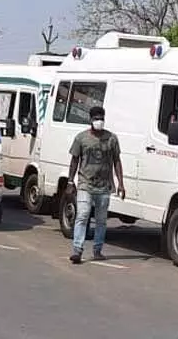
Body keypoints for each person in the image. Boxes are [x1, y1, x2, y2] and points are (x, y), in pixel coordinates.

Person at [67, 105, 125, 264]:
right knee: (83, 215)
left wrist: (121, 183)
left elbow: (117, 161)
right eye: (96, 118)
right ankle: (77, 250)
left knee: (101, 220)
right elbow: (74, 160)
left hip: (104, 186)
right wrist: (70, 181)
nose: (99, 121)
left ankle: (97, 250)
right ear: (90, 120)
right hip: (85, 184)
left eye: (101, 118)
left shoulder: (112, 139)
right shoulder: (81, 138)